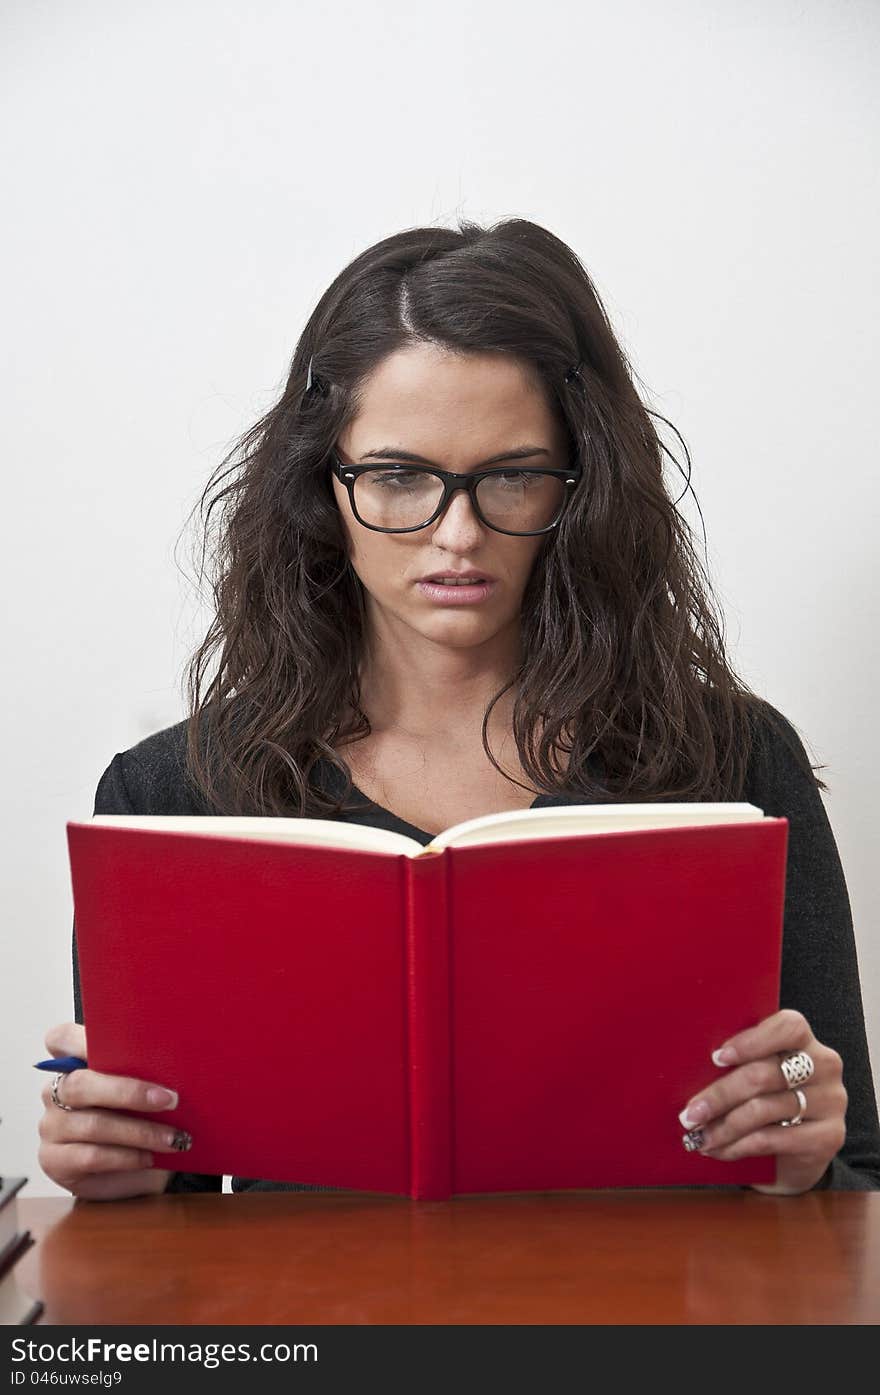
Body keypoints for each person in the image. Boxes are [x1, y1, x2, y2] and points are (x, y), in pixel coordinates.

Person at [38, 218, 879, 1200]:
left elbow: (850, 1174)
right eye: (399, 478)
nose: (457, 535)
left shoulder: (729, 759)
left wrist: (803, 1154)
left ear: (584, 484)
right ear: (321, 484)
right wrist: (107, 1171)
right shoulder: (172, 793)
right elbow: (161, 1234)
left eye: (512, 476)